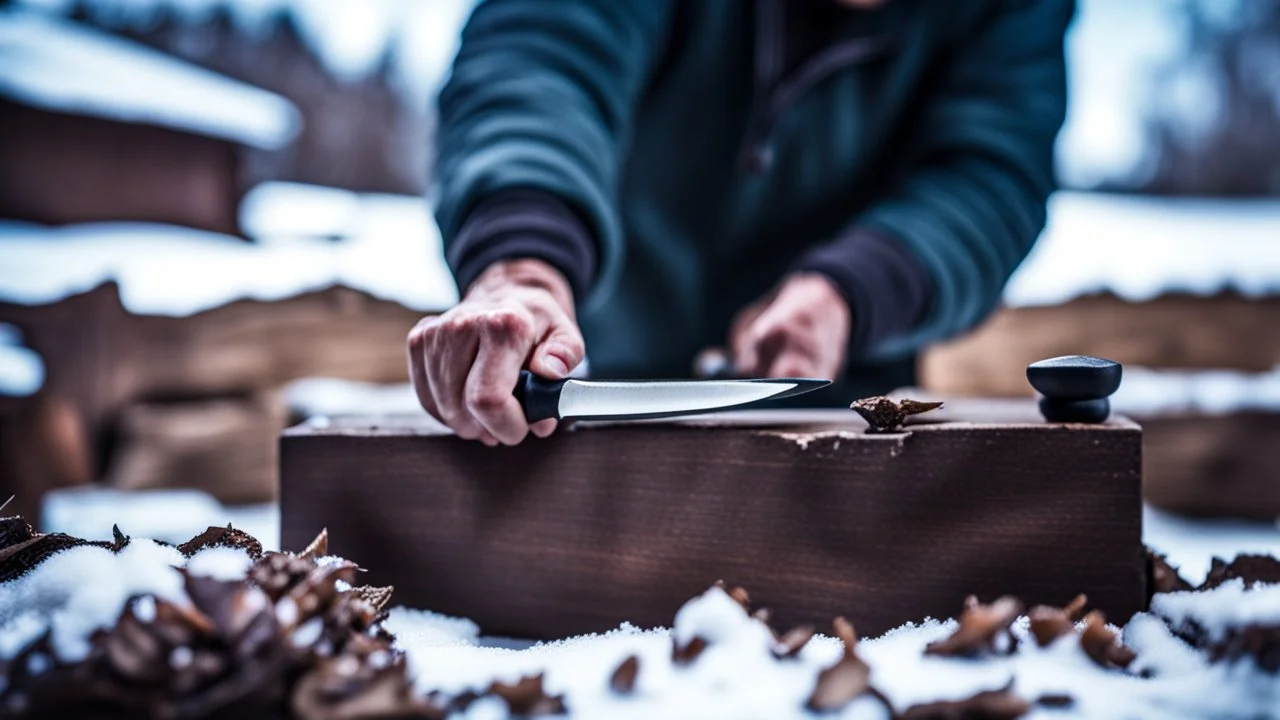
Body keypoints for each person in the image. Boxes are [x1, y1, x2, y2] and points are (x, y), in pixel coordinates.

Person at [408, 0, 1074, 446]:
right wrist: (522, 261)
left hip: (840, 425)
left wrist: (853, 289)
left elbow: (990, 172)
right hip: (585, 391)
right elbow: (538, 61)